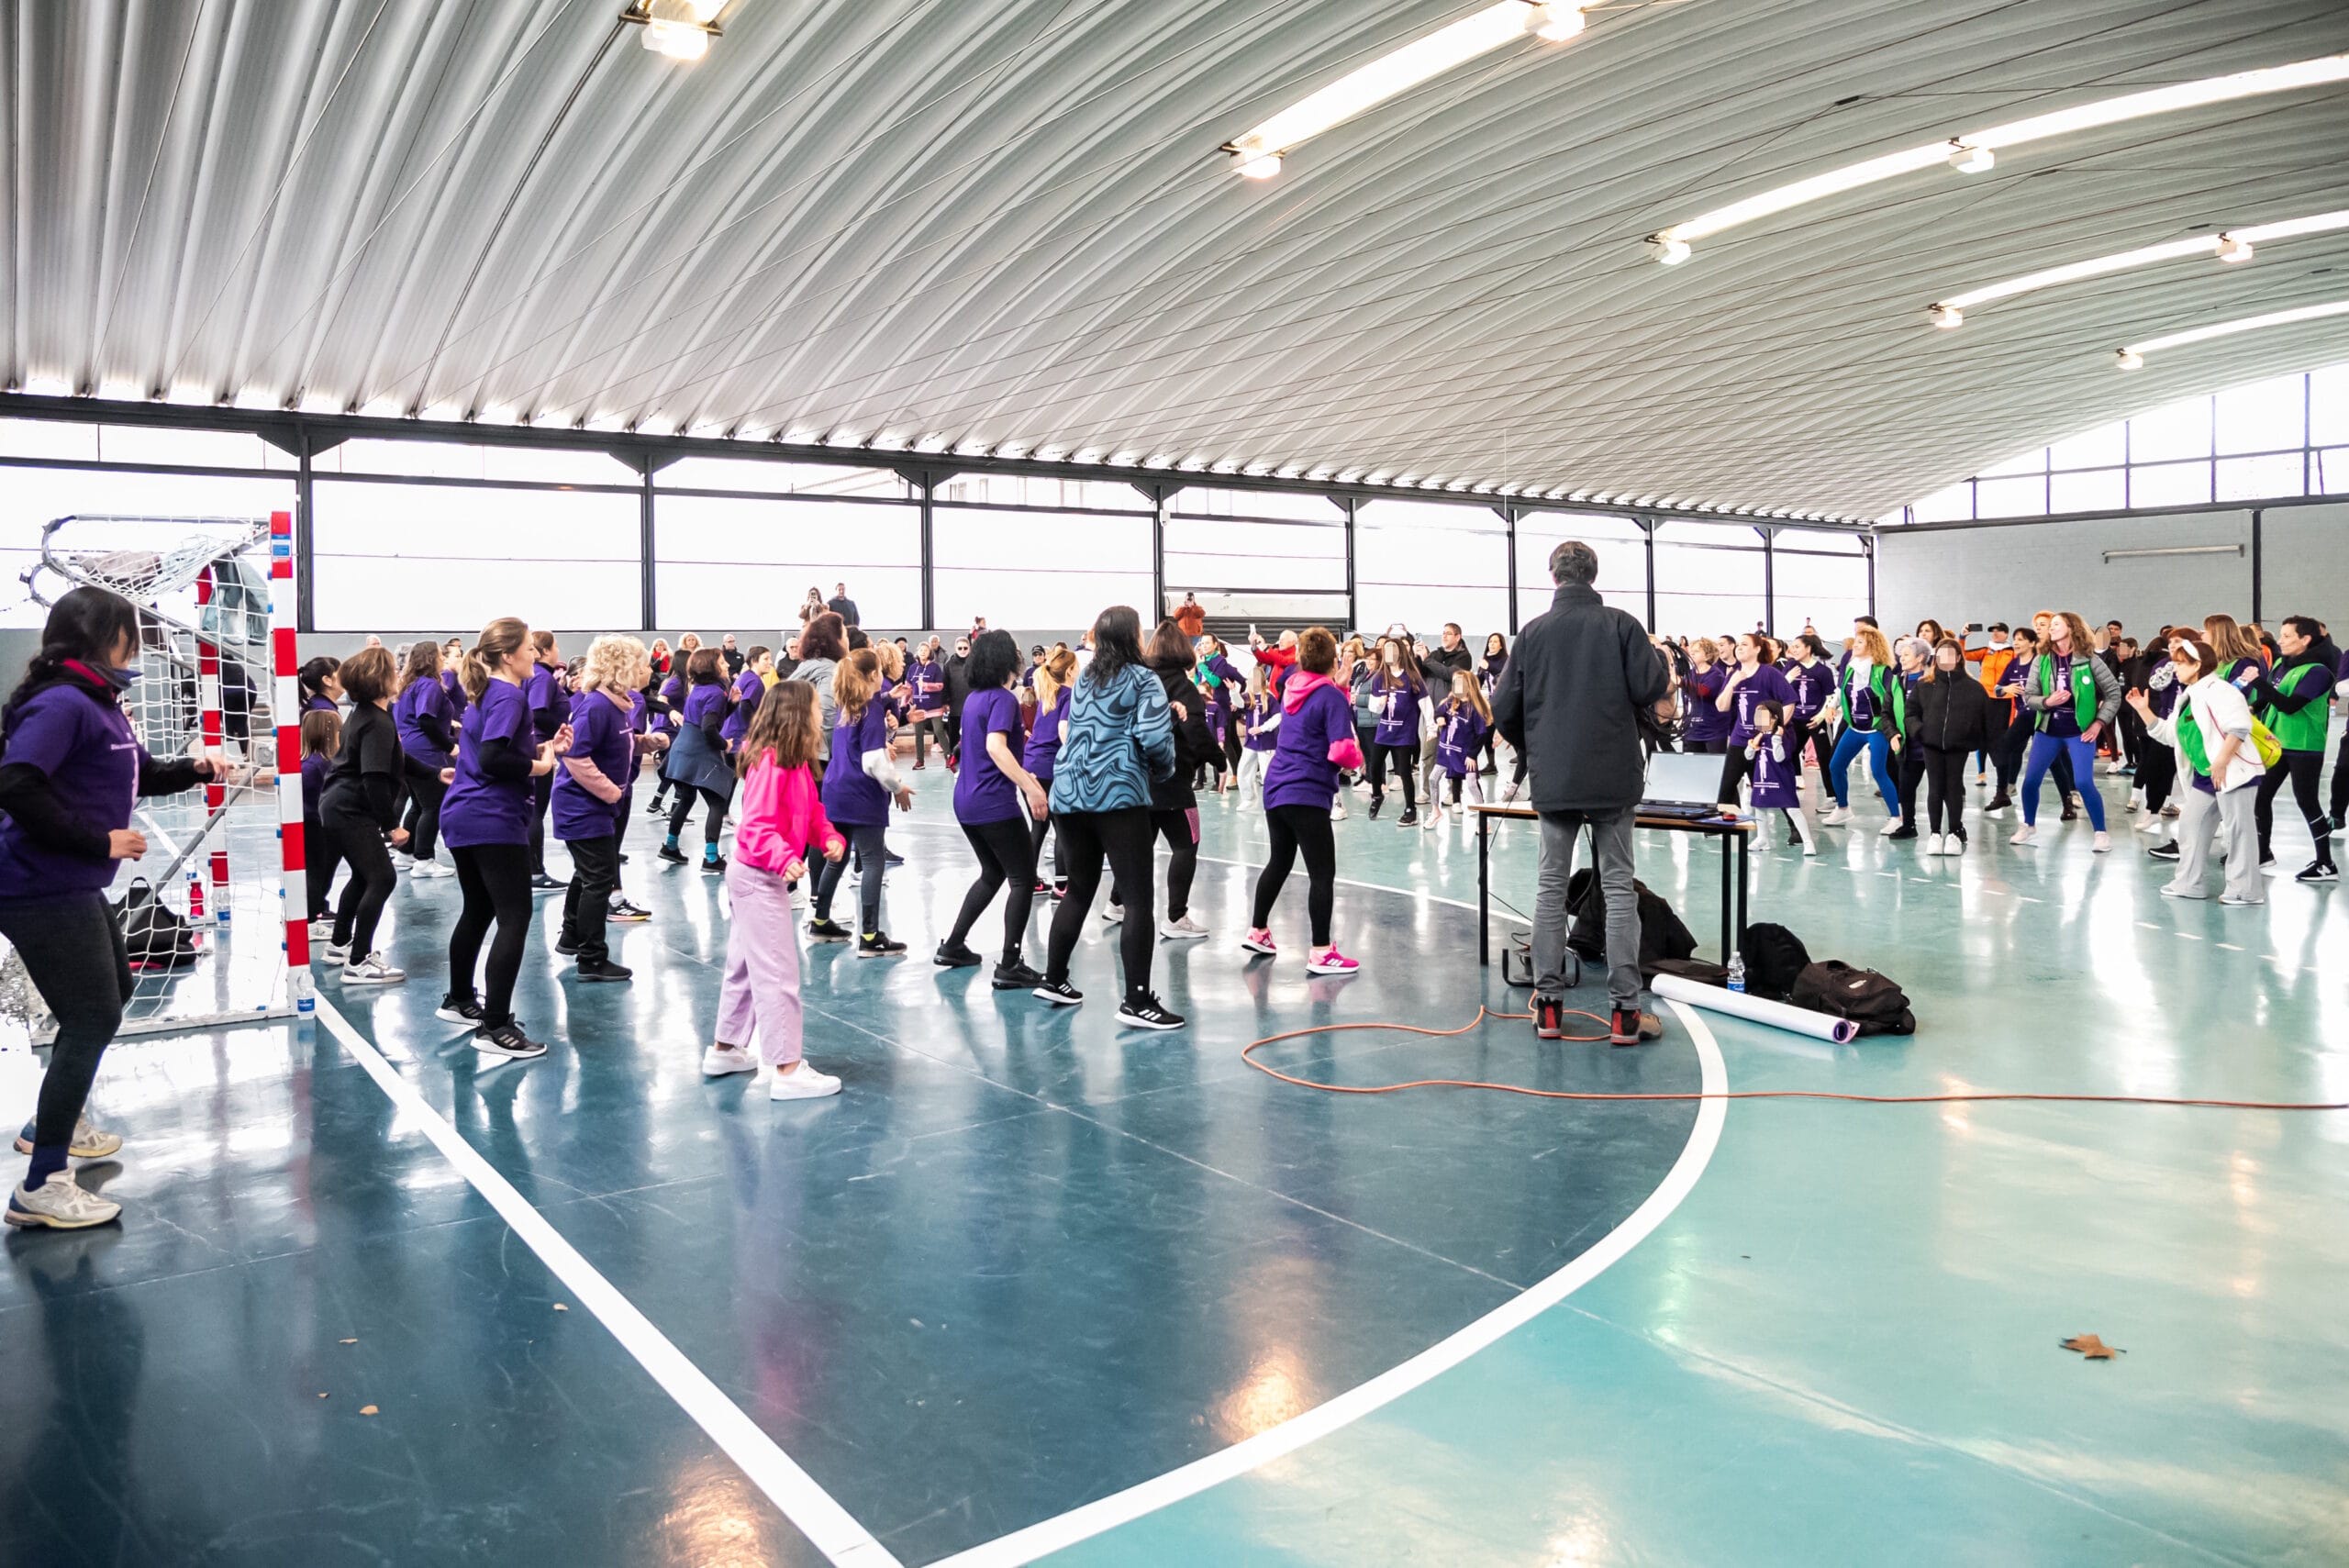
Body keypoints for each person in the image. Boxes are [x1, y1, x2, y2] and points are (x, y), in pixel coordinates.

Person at [0, 588, 260, 1228]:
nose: (135, 648)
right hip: (38, 883)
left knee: (111, 994)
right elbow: (15, 783)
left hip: (71, 881)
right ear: (102, 639)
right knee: (92, 1015)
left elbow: (142, 773)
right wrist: (100, 841)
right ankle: (42, 1183)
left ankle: (54, 1123)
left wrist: (199, 768)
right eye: (129, 636)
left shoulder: (102, 703)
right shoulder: (63, 703)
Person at [1492, 540, 1672, 1048]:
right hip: (1613, 776)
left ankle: (1549, 1006)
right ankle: (1626, 1014)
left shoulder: (1532, 633)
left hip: (1555, 776)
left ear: (1554, 576)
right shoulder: (1621, 624)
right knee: (1618, 888)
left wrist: (1535, 747)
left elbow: (1503, 707)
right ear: (1593, 575)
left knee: (1551, 887)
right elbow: (1651, 688)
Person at [1036, 606, 1181, 1028]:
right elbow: (1154, 737)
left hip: (1069, 794)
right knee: (1137, 900)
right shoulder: (1143, 679)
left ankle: (1054, 978)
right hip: (1116, 795)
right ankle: (1137, 1000)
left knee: (1078, 890)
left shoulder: (1085, 678)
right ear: (1133, 637)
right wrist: (1164, 770)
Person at [704, 682, 850, 1099]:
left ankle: (726, 1049)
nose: (821, 715)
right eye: (815, 709)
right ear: (796, 714)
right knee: (778, 973)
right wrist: (783, 858)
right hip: (758, 877)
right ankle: (787, 1069)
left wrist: (828, 837)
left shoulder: (794, 761)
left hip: (754, 874)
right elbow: (756, 827)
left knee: (744, 967)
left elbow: (811, 812)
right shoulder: (771, 763)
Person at [440, 617, 572, 1060]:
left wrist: (546, 749)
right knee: (515, 916)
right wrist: (541, 767)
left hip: (464, 816)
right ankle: (495, 1025)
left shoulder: (487, 694)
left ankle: (459, 998)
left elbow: (495, 749)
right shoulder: (511, 696)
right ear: (509, 655)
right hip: (491, 819)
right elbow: (494, 758)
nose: (535, 655)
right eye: (530, 648)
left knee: (478, 909)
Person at [933, 630, 1052, 986]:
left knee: (992, 873)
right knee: (1023, 879)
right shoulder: (1003, 699)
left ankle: (953, 945)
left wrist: (1022, 772)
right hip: (993, 803)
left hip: (966, 800)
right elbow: (996, 748)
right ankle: (1010, 963)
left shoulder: (974, 699)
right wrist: (1031, 788)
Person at [1242, 626, 1364, 973]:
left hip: (1276, 788)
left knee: (1279, 861)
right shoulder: (1331, 697)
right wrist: (1359, 760)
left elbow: (1312, 692)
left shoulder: (1291, 688)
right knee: (1322, 873)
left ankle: (1258, 930)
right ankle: (1321, 951)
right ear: (1333, 660)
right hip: (1307, 792)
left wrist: (1338, 685)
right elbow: (1341, 750)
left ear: (1300, 658)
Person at [2132, 635, 2266, 905]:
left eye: (2181, 663)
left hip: (2232, 773)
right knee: (2191, 824)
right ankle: (2189, 883)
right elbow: (2170, 735)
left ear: (2198, 665)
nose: (2176, 668)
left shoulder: (2221, 690)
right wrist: (2144, 711)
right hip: (2206, 776)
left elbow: (2239, 727)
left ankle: (2246, 890)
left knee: (2239, 832)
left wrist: (2221, 762)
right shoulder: (2188, 696)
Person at [317, 645, 414, 984]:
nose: (398, 675)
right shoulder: (377, 722)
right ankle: (358, 961)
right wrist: (392, 826)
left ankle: (340, 944)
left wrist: (435, 773)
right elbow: (374, 777)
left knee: (363, 875)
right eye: (393, 671)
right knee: (383, 878)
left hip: (337, 804)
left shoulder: (368, 715)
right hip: (349, 808)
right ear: (380, 679)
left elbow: (395, 760)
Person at [551, 636, 644, 984]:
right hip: (582, 807)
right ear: (623, 667)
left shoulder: (616, 706)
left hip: (595, 807)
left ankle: (571, 935)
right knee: (600, 879)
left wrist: (647, 742)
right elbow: (575, 756)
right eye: (640, 664)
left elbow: (612, 744)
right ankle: (592, 958)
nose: (646, 670)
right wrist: (611, 792)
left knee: (587, 872)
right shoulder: (596, 707)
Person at [811, 648, 911, 955]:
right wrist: (897, 787)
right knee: (872, 860)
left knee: (837, 858)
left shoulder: (846, 707)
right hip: (861, 794)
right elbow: (874, 762)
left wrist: (888, 697)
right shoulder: (872, 711)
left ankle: (820, 920)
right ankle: (870, 935)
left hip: (835, 790)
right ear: (874, 675)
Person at [2012, 611, 2119, 851]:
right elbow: (2029, 696)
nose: (2051, 628)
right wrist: (2048, 702)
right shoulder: (2041, 659)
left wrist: (2098, 723)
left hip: (2079, 732)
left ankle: (2101, 833)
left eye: (2056, 624)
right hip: (2048, 731)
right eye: (2050, 625)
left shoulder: (2089, 659)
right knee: (2030, 781)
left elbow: (2113, 693)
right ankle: (2028, 825)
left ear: (2072, 628)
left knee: (2083, 782)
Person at [2248, 615, 2338, 883]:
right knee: (2261, 796)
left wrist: (2256, 681)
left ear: (2305, 639)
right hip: (2277, 744)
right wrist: (2250, 707)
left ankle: (2326, 863)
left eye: (2287, 636)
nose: (2280, 640)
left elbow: (2289, 705)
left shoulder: (2318, 672)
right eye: (2281, 634)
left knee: (2307, 801)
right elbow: (2269, 697)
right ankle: (2263, 852)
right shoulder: (2281, 664)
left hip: (2304, 746)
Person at [1909, 636, 1989, 855]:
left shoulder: (1974, 688)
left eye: (1951, 655)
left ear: (1959, 658)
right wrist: (1920, 731)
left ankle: (1954, 833)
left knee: (1954, 787)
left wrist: (1970, 739)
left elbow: (1984, 719)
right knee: (1935, 788)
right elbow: (1911, 712)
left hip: (1958, 747)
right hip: (1931, 745)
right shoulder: (1924, 685)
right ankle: (1935, 834)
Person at [658, 649, 734, 873]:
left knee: (687, 798)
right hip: (698, 750)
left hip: (682, 748)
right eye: (722, 662)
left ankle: (670, 846)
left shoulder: (698, 689)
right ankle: (711, 858)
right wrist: (725, 745)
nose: (727, 665)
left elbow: (711, 717)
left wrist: (733, 704)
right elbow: (709, 727)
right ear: (712, 667)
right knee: (717, 803)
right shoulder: (716, 692)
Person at [1822, 623, 1904, 831]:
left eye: (1860, 642)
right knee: (1835, 766)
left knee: (1879, 771)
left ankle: (1897, 817)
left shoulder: (1883, 671)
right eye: (1856, 641)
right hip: (1855, 727)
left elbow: (1893, 700)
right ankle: (1843, 808)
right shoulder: (1851, 667)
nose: (1855, 645)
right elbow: (1841, 691)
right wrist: (1831, 707)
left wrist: (1895, 731)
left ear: (1872, 646)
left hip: (1877, 729)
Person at [392, 639, 457, 878]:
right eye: (440, 654)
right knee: (433, 806)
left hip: (407, 750)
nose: (443, 658)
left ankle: (406, 853)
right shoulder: (429, 685)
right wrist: (450, 746)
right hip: (425, 752)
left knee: (419, 805)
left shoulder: (408, 685)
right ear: (431, 658)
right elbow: (426, 720)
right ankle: (424, 859)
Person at [1714, 633, 1793, 809]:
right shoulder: (1734, 675)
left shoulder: (1770, 673)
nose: (1739, 647)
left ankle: (1793, 823)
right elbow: (1721, 707)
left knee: (1773, 789)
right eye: (1738, 644)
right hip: (1740, 740)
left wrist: (1774, 730)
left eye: (1744, 644)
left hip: (1763, 740)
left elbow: (1789, 702)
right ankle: (1729, 822)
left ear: (1757, 649)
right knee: (1724, 789)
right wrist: (1731, 684)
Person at [1024, 647, 1076, 894]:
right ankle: (1062, 885)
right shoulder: (1068, 694)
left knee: (1039, 826)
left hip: (1031, 764)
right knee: (1063, 828)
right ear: (1070, 671)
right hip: (1050, 767)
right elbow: (1063, 729)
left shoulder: (1048, 693)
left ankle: (1028, 880)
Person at [1366, 635, 1427, 825]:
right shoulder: (1379, 678)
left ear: (1401, 653)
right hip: (1385, 730)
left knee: (1404, 771)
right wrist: (1379, 703)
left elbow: (1425, 702)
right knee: (1375, 766)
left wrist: (1432, 726)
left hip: (1404, 732)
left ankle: (1410, 809)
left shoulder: (1412, 677)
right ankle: (1377, 795)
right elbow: (1373, 707)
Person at [1742, 700, 1815, 854]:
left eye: (1762, 715)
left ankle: (1808, 842)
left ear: (1774, 718)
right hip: (1762, 778)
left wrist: (1776, 739)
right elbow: (1748, 756)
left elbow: (1779, 757)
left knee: (1793, 809)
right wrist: (1753, 743)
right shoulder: (1758, 735)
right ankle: (1762, 839)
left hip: (1781, 778)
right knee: (1759, 807)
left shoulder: (1785, 734)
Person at [1429, 669, 1492, 824]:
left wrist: (1472, 755)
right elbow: (1438, 712)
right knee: (1433, 778)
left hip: (1464, 754)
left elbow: (1481, 735)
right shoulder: (1450, 702)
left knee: (1471, 784)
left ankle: (1484, 819)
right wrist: (1439, 718)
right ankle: (1435, 811)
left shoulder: (1474, 709)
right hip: (1446, 752)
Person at [300, 708, 342, 929]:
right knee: (317, 870)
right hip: (316, 825)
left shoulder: (319, 762)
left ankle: (317, 906)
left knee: (323, 869)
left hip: (319, 823)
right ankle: (310, 916)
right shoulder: (315, 766)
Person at [1681, 639, 1730, 753]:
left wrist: (1680, 682)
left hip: (1713, 732)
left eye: (1697, 651)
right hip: (1691, 731)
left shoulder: (1716, 675)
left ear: (1708, 656)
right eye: (1691, 651)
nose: (1692, 654)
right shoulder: (1689, 674)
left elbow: (1704, 691)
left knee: (1714, 763)